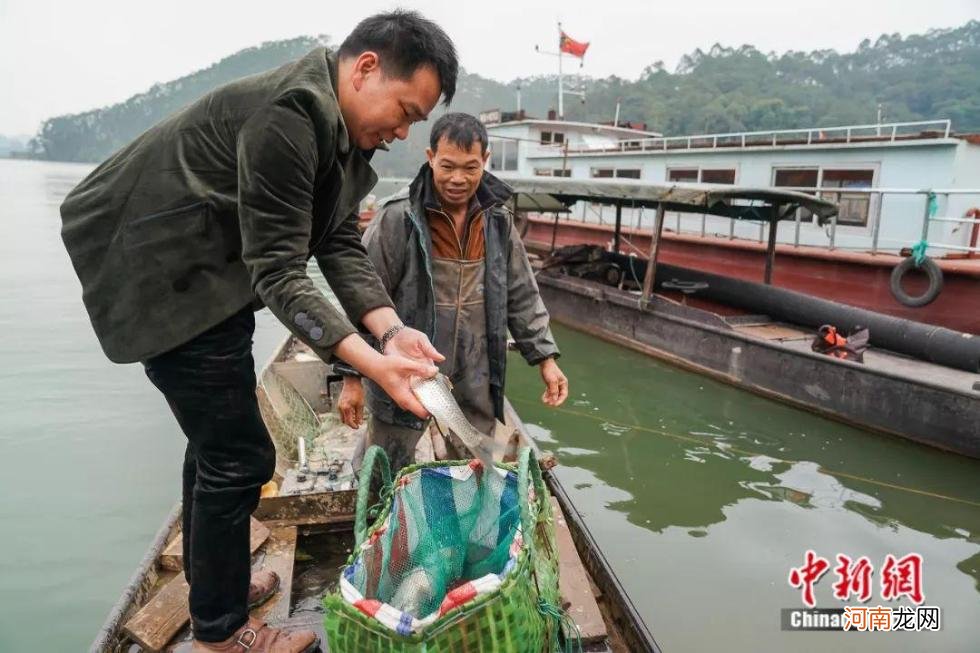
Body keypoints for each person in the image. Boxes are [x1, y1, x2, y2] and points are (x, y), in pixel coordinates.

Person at [60, 11, 457, 652]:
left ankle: (211, 576)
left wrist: (391, 333)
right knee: (240, 456)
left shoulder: (343, 141)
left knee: (217, 444)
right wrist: (369, 364)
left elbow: (334, 242)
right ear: (365, 68)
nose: (405, 131)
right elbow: (278, 271)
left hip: (214, 280)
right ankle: (221, 633)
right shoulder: (289, 114)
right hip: (166, 278)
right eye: (406, 110)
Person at [335, 112, 568, 472]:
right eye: (447, 166)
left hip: (476, 365)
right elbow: (361, 293)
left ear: (485, 162)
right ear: (430, 158)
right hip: (409, 365)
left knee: (480, 460)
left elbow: (522, 295)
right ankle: (378, 520)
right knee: (386, 458)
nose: (458, 178)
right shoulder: (399, 217)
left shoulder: (497, 220)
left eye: (470, 168)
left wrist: (546, 360)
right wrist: (351, 377)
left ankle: (473, 521)